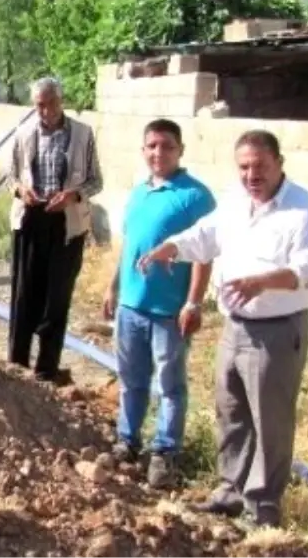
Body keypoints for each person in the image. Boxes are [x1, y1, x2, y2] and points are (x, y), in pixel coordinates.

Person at [136, 129, 308, 528]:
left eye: (260, 166)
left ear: (279, 163)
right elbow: (204, 236)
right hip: (236, 326)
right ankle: (229, 492)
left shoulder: (304, 210)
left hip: (278, 330)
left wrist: (263, 281)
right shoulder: (235, 202)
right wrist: (171, 247)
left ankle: (262, 508)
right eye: (244, 167)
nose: (251, 175)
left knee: (270, 421)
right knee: (232, 413)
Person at [102, 119, 216, 490]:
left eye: (167, 146)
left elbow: (204, 254)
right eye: (151, 146)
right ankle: (128, 441)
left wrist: (193, 303)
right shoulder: (138, 194)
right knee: (132, 380)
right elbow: (129, 246)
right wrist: (113, 288)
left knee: (170, 385)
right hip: (131, 307)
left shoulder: (196, 197)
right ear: (143, 150)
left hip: (169, 312)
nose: (158, 153)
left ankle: (165, 452)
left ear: (180, 150)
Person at [7, 77, 103, 385]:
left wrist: (73, 196)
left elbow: (95, 181)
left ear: (61, 101)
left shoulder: (83, 134)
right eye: (39, 104)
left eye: (50, 103)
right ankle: (17, 365)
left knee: (56, 297)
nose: (45, 110)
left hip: (67, 225)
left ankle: (47, 369)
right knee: (24, 296)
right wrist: (21, 191)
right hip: (30, 220)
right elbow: (11, 179)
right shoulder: (23, 133)